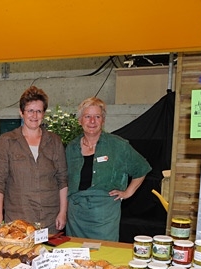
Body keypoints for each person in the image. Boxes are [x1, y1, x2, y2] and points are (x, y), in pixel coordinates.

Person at [65, 97, 151, 241]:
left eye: (97, 117)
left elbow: (141, 168)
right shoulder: (71, 148)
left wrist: (127, 192)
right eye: (87, 116)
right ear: (80, 120)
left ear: (103, 120)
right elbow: (64, 180)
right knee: (76, 250)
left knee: (104, 250)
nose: (92, 121)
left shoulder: (117, 145)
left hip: (105, 216)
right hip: (76, 216)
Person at [0, 86, 68, 234]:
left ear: (44, 114)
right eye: (30, 110)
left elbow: (62, 180)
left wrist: (63, 212)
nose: (34, 115)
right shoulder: (7, 141)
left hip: (49, 219)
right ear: (21, 112)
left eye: (39, 111)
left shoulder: (54, 141)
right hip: (18, 219)